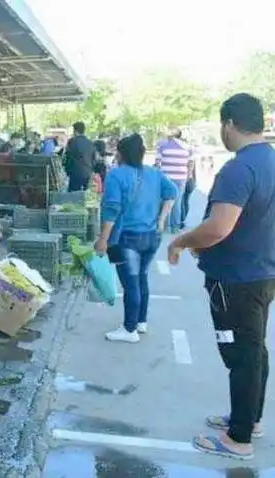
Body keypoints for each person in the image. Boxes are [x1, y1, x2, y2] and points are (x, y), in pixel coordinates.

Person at [168, 93, 275, 460]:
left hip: (236, 280)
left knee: (240, 354)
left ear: (229, 123)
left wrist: (182, 240)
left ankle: (238, 439)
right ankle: (250, 418)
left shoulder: (239, 168)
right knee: (255, 349)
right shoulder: (271, 161)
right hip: (263, 273)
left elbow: (218, 227)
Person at [95, 133, 176, 343]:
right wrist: (161, 219)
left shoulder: (116, 175)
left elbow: (112, 209)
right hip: (151, 237)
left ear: (121, 154)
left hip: (127, 238)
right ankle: (140, 321)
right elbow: (172, 193)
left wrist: (103, 239)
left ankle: (129, 329)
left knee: (131, 283)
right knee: (141, 278)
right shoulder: (154, 173)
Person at [155, 128, 193, 232]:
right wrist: (188, 176)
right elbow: (191, 163)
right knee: (177, 202)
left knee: (165, 201)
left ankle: (164, 225)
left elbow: (158, 163)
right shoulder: (188, 147)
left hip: (166, 177)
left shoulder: (162, 145)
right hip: (181, 177)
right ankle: (175, 226)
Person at [64, 121, 95, 192]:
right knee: (84, 196)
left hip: (75, 173)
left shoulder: (72, 141)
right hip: (87, 173)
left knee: (73, 196)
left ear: (75, 131)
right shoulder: (90, 143)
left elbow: (68, 157)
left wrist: (67, 171)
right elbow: (93, 159)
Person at [180, 158, 197, 229]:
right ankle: (183, 219)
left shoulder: (190, 160)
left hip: (188, 182)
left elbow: (189, 172)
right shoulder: (192, 159)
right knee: (185, 201)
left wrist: (184, 182)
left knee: (182, 201)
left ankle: (182, 220)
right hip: (191, 181)